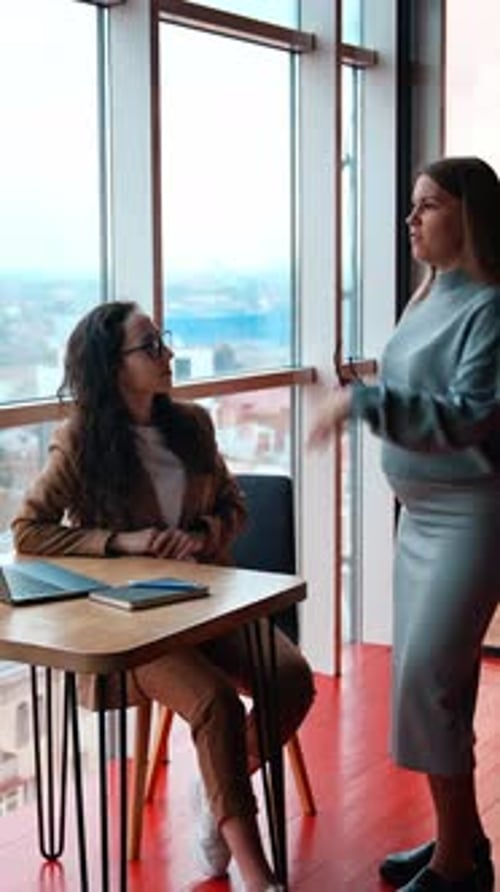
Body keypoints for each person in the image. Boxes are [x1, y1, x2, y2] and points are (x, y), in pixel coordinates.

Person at [12, 300, 315, 892]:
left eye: (162, 340)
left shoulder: (192, 425)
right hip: (133, 628)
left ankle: (218, 789)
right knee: (215, 705)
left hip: (204, 604)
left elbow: (235, 505)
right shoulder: (81, 442)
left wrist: (202, 537)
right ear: (112, 366)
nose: (168, 353)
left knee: (293, 682)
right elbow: (29, 530)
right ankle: (258, 876)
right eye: (150, 345)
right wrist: (121, 542)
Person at [308, 156, 500, 892]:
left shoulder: (491, 305)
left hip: (471, 516)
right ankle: (464, 841)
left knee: (429, 682)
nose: (411, 219)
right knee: (429, 686)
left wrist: (365, 404)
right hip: (418, 516)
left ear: (469, 214)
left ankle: (459, 869)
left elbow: (471, 417)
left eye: (427, 205)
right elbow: (410, 385)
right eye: (412, 205)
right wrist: (375, 394)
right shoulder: (430, 293)